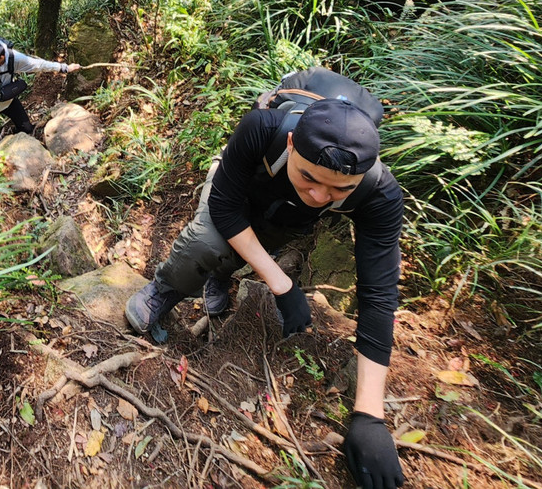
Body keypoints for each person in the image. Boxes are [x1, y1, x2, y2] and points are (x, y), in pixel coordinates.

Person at [125, 97, 405, 489]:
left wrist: (370, 415)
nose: (322, 196)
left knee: (259, 246)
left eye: (340, 189)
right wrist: (282, 283)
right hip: (239, 188)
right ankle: (166, 289)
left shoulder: (380, 194)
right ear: (291, 144)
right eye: (310, 177)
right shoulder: (262, 128)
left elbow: (379, 294)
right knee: (210, 241)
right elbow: (224, 207)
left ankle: (220, 278)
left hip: (288, 217)